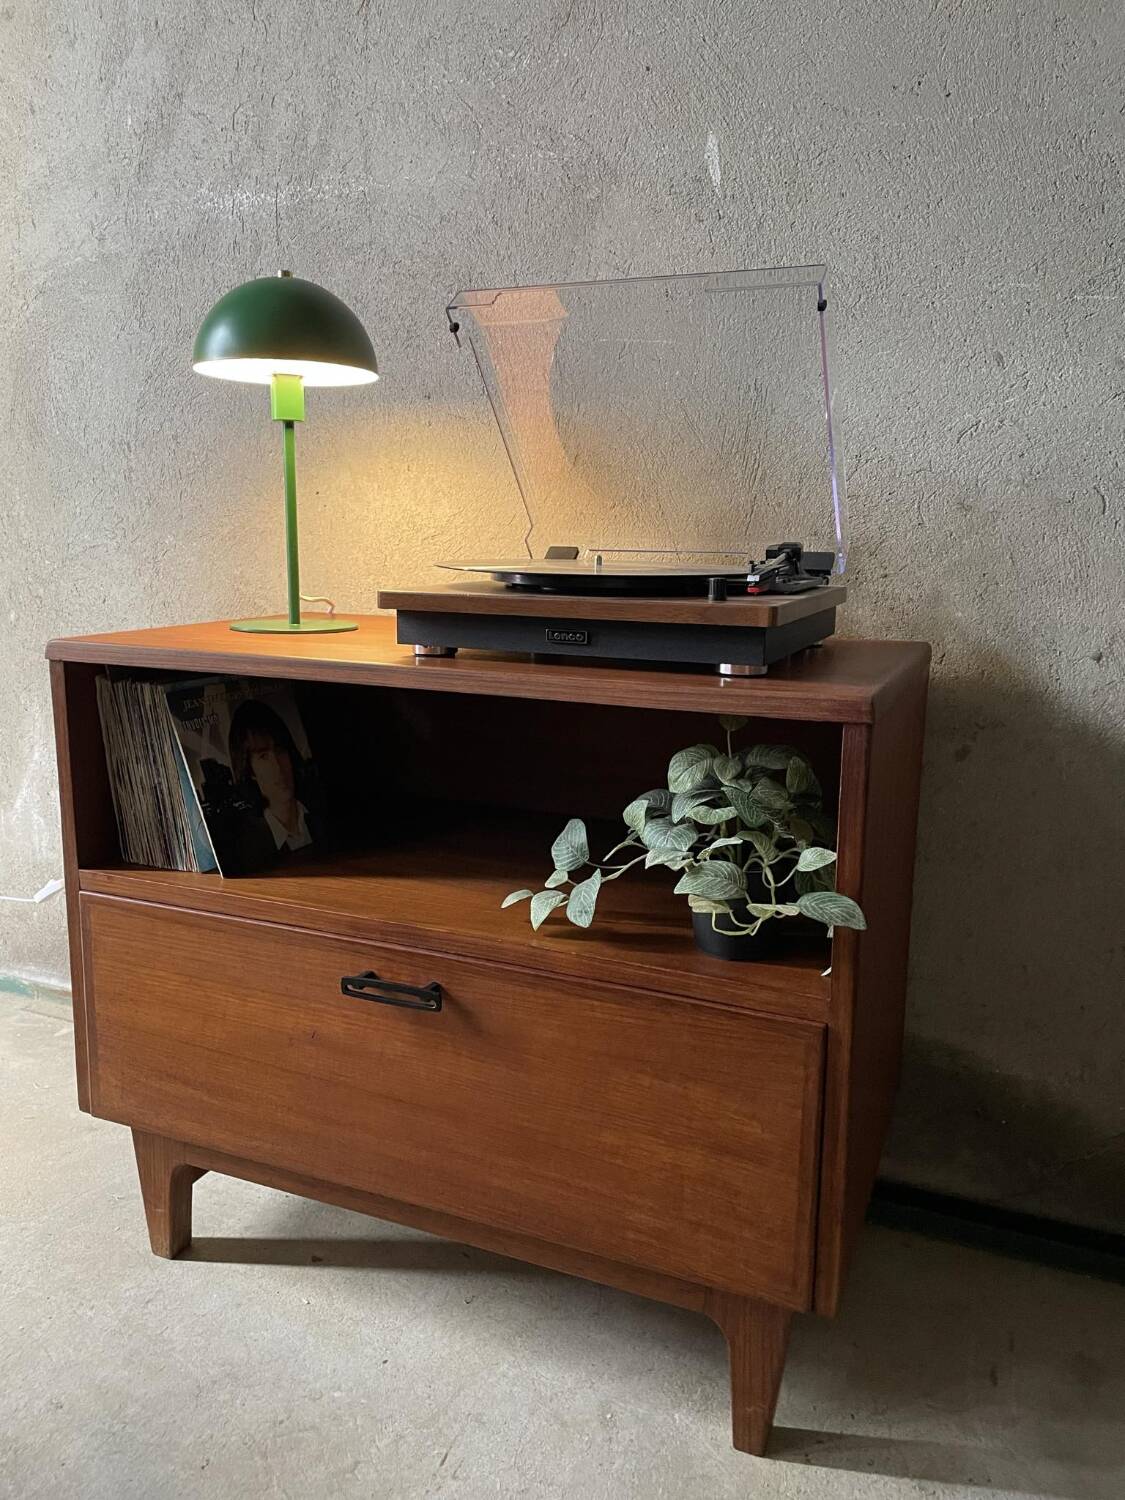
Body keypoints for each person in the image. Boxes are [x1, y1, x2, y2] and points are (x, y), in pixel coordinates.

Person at [226, 698, 324, 870]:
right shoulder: (246, 847)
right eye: (263, 756)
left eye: (280, 750)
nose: (278, 765)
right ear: (250, 771)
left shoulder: (321, 814)